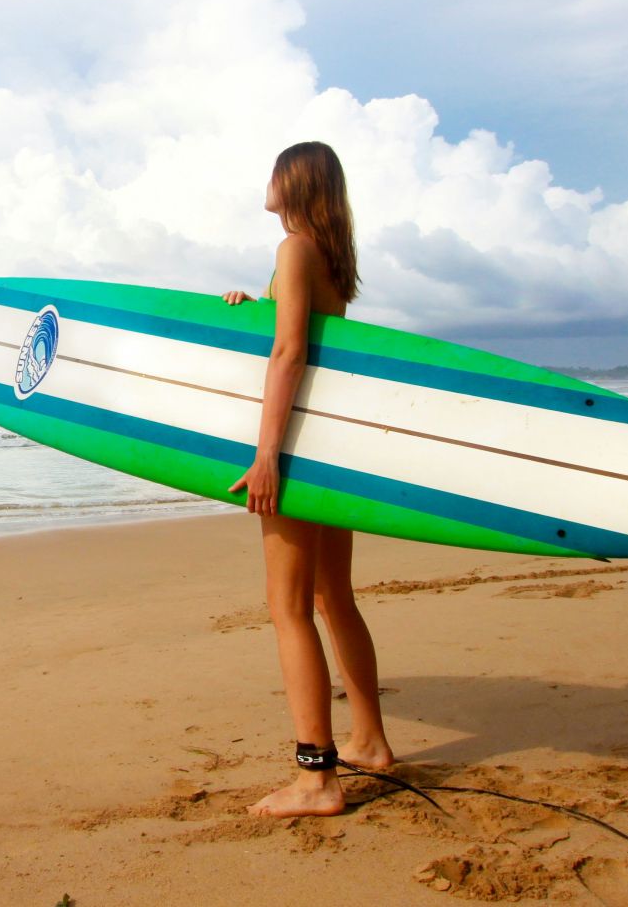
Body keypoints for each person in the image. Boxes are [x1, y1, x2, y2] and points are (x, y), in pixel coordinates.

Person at [223, 141, 395, 818]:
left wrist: (267, 457)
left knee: (288, 607)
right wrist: (250, 307)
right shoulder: (325, 258)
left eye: (273, 172)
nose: (263, 183)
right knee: (334, 599)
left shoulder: (293, 249)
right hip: (332, 450)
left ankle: (317, 777)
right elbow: (297, 334)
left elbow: (291, 352)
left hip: (294, 448)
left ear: (292, 183)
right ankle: (371, 741)